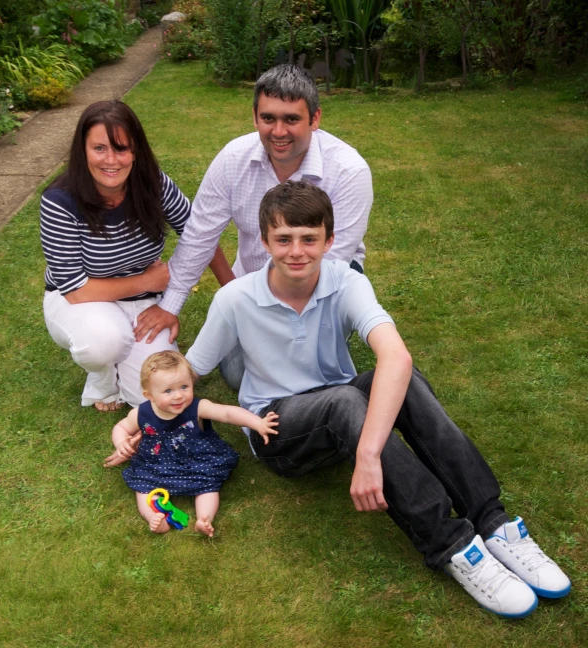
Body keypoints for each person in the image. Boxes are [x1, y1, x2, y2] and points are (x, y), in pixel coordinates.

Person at [185, 180, 571, 617]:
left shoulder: (344, 280)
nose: (297, 250)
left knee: (398, 378)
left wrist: (367, 455)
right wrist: (144, 419)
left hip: (343, 412)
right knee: (346, 402)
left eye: (309, 239)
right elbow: (191, 371)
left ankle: (494, 522)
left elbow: (395, 356)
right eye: (284, 239)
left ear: (329, 240)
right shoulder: (234, 299)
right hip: (277, 428)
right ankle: (455, 546)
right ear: (263, 240)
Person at [133, 64, 373, 360]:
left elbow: (332, 260)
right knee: (236, 369)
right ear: (254, 117)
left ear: (315, 119)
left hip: (324, 280)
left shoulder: (349, 171)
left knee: (302, 361)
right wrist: (170, 305)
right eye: (268, 118)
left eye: (292, 119)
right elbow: (199, 235)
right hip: (254, 282)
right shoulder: (233, 159)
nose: (279, 131)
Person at [40, 100, 191, 411]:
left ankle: (126, 368)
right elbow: (76, 289)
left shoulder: (153, 183)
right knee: (104, 341)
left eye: (121, 149)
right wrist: (149, 280)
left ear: (136, 150)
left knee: (153, 400)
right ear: (82, 151)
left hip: (142, 302)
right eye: (99, 149)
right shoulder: (59, 200)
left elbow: (199, 232)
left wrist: (173, 302)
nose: (111, 160)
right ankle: (102, 376)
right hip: (78, 301)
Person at [104, 351, 279, 536]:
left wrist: (257, 423)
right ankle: (156, 518)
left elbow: (226, 413)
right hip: (156, 462)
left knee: (207, 486)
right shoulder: (140, 414)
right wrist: (121, 441)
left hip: (197, 459)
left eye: (184, 387)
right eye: (168, 391)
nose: (178, 396)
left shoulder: (197, 407)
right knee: (144, 489)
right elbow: (121, 427)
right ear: (150, 395)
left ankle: (205, 518)